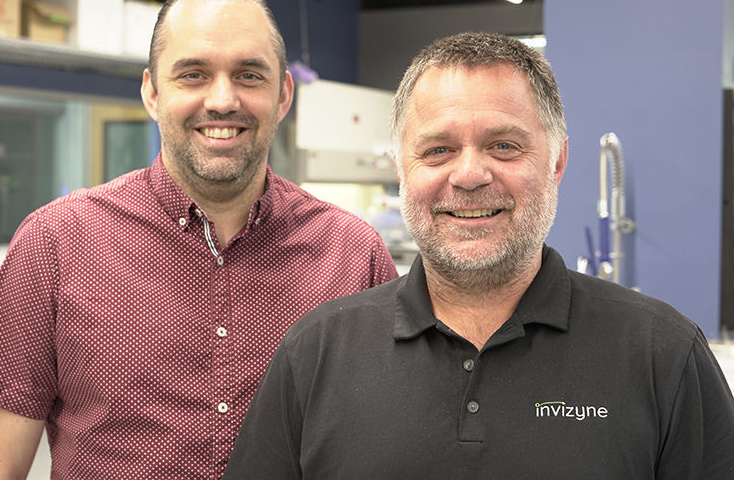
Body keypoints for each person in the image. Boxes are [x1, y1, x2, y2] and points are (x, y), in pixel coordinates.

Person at [0, 0, 398, 479]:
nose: (223, 100)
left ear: (284, 96)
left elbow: (384, 444)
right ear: (153, 93)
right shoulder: (55, 243)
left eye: (250, 74)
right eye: (193, 74)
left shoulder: (353, 254)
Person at [223, 32, 734, 479]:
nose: (469, 175)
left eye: (504, 146)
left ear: (556, 161)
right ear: (403, 168)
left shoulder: (664, 356)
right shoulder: (314, 353)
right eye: (438, 150)